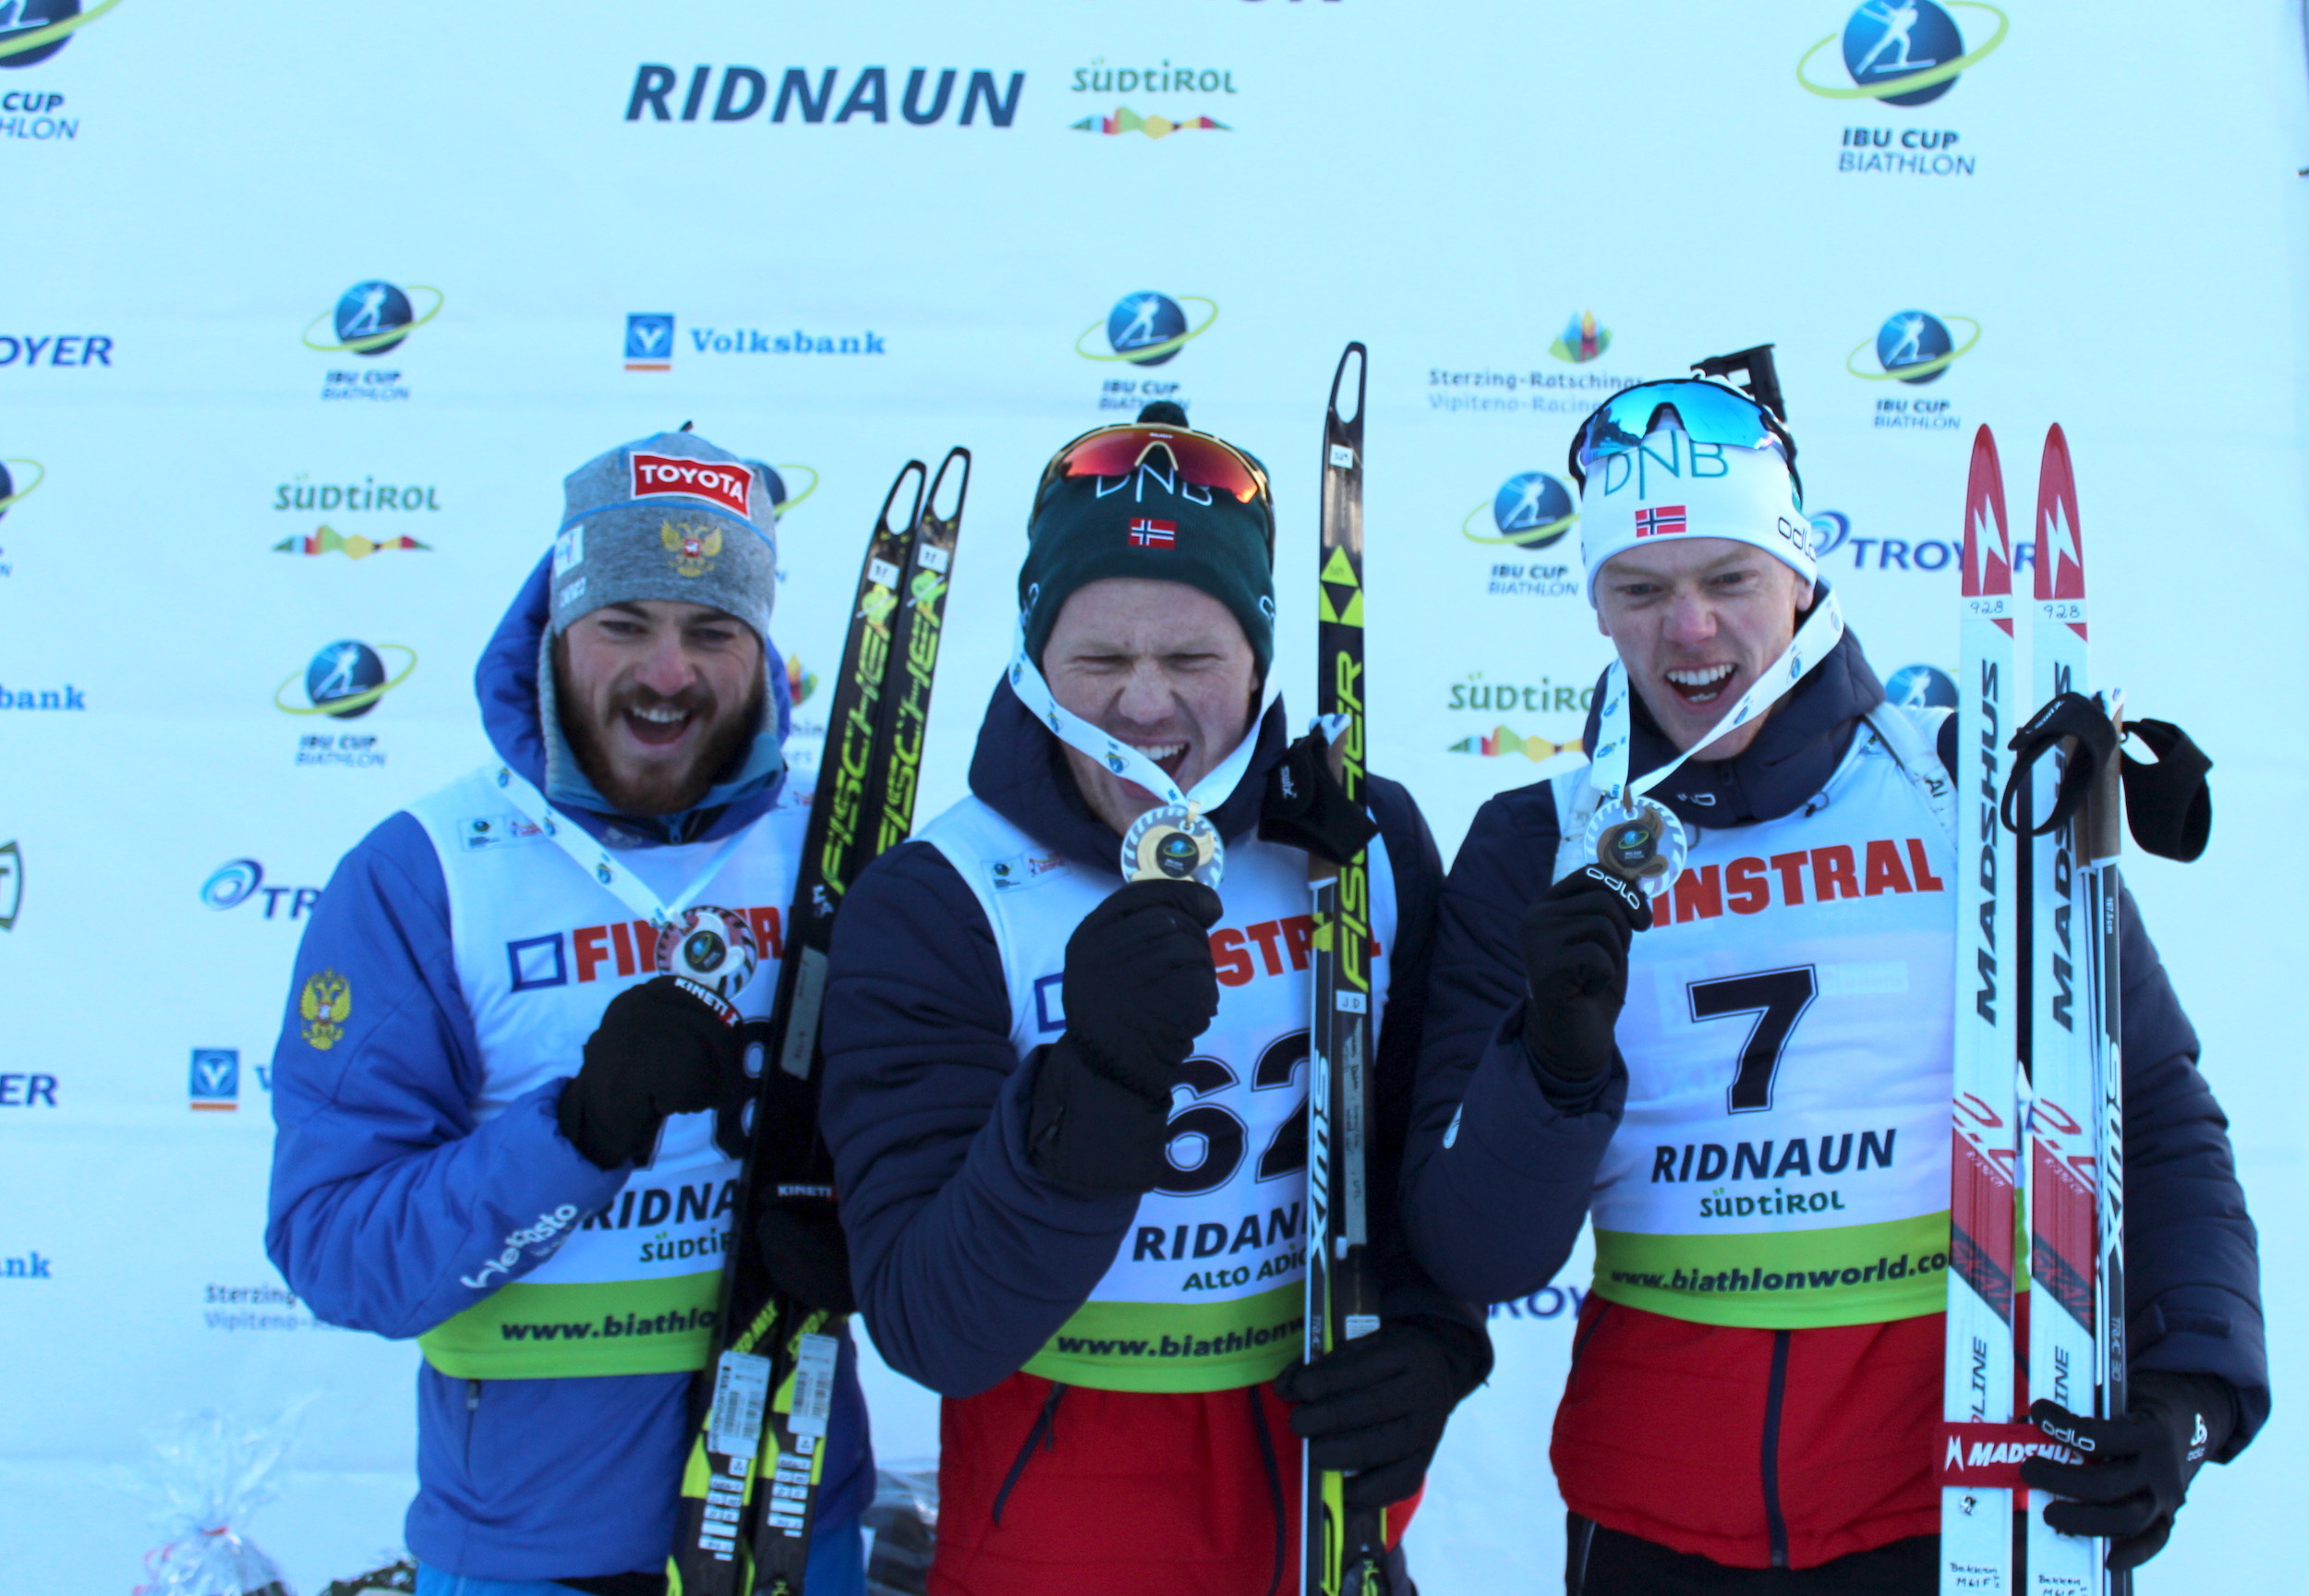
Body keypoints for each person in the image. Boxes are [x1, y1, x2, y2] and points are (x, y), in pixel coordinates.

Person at [1400, 379, 2266, 1592]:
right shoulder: (1534, 844)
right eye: (1640, 589)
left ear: (1801, 576)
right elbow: (1476, 1252)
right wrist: (1549, 1070)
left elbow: (2152, 1110)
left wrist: (2190, 1390)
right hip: (1658, 1514)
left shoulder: (1973, 794)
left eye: (1731, 578)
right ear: (1596, 603)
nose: (1689, 628)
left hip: (1961, 1498)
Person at [817, 404, 1490, 1595]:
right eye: (1098, 662)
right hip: (1059, 1538)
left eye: (1190, 661)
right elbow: (933, 1325)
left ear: (1259, 666)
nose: (1142, 707)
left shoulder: (1361, 843)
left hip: (1320, 1519)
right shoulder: (940, 899)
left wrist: (1437, 1332)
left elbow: (1420, 1156)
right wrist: (1092, 1089)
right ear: (1033, 665)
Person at [266, 430, 871, 1596]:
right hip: (526, 1551)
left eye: (713, 632)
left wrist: (874, 1220)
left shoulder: (838, 852)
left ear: (761, 657)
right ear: (555, 631)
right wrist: (577, 1134)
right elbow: (337, 1251)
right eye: (624, 624)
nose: (667, 673)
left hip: (792, 1523)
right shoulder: (426, 873)